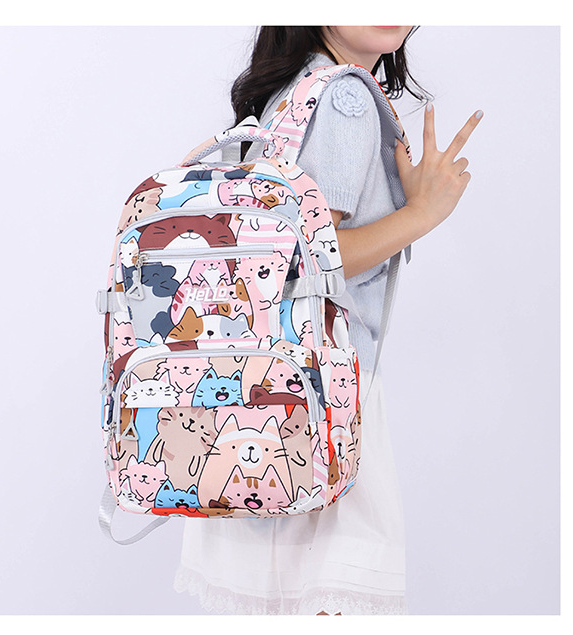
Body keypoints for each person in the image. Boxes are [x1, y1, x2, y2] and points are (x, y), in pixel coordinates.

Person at [173, 25, 482, 616]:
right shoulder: (343, 97)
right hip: (323, 400)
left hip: (251, 397)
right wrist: (422, 213)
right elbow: (310, 258)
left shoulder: (288, 92)